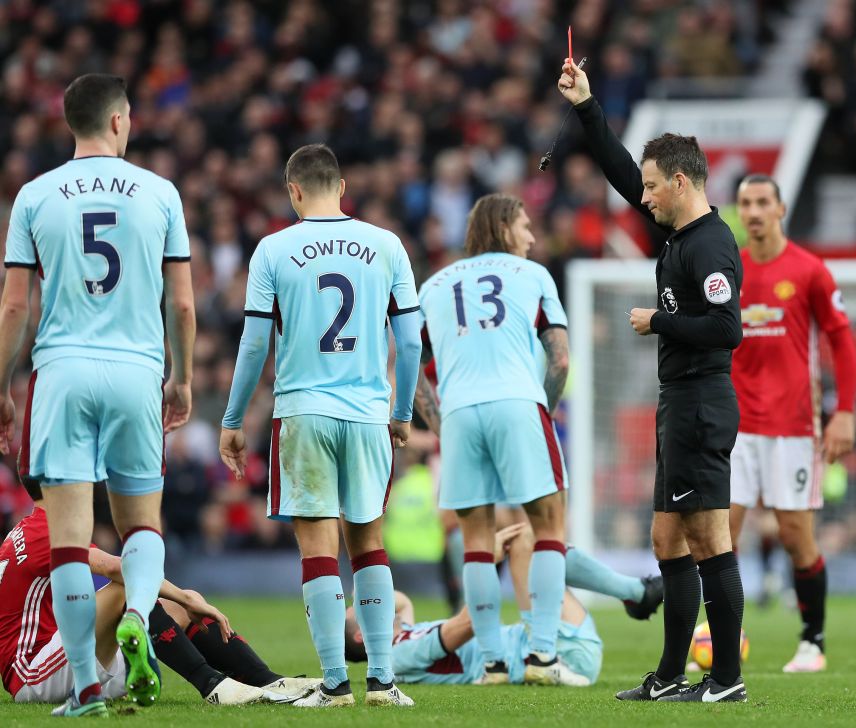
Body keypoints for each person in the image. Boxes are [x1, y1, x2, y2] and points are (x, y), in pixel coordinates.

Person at [0, 74, 195, 717]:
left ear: (70, 123)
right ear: (119, 121)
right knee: (142, 524)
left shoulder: (34, 196)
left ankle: (84, 686)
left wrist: (3, 386)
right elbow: (184, 302)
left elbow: (15, 307)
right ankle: (137, 613)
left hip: (60, 372)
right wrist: (183, 376)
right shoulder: (160, 192)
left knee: (68, 539)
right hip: (137, 368)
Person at [558, 61, 748, 703]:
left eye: (651, 187)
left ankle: (725, 679)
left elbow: (727, 328)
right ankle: (670, 675)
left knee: (708, 536)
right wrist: (587, 108)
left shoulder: (711, 245)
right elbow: (617, 174)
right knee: (666, 537)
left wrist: (660, 320)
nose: (642, 197)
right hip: (680, 400)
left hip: (702, 401)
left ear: (681, 181)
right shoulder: (674, 232)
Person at [218, 143, 421, 709]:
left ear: (294, 191)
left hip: (303, 412)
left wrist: (232, 420)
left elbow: (255, 341)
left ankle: (335, 684)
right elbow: (409, 341)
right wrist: (401, 413)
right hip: (366, 413)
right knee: (370, 543)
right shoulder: (386, 245)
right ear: (343, 185)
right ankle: (381, 681)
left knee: (317, 549)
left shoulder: (272, 250)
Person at [414, 193, 571, 686]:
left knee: (476, 541)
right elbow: (561, 358)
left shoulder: (434, 285)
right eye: (524, 226)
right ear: (504, 227)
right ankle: (543, 655)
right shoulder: (534, 275)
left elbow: (411, 368)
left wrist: (439, 425)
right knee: (548, 526)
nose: (531, 236)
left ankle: (493, 663)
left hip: (459, 412)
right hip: (516, 402)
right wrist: (541, 406)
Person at [1, 479, 321, 706]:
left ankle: (266, 680)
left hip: (55, 658)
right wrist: (185, 596)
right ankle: (212, 685)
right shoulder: (48, 529)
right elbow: (120, 569)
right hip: (32, 673)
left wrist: (183, 598)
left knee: (170, 604)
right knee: (131, 589)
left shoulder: (31, 526)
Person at [730, 174, 856, 673]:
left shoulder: (809, 271)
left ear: (781, 209)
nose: (755, 211)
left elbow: (842, 342)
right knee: (722, 532)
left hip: (793, 427)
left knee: (794, 534)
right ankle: (723, 634)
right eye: (746, 203)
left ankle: (813, 642)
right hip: (737, 425)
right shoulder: (728, 272)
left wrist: (843, 411)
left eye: (763, 202)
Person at [344, 524, 664, 686]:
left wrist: (370, 600)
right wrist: (487, 564)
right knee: (528, 540)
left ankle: (635, 593)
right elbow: (469, 623)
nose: (371, 603)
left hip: (555, 647)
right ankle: (635, 592)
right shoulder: (397, 655)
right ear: (362, 636)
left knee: (535, 540)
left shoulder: (404, 636)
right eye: (362, 608)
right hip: (556, 656)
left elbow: (400, 600)